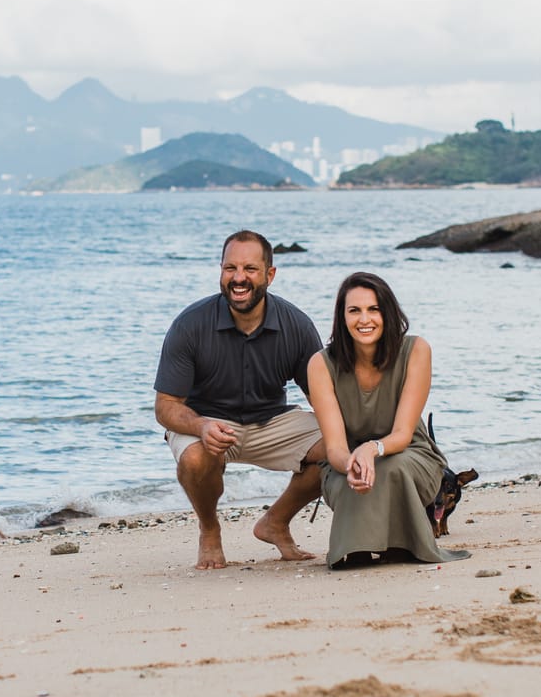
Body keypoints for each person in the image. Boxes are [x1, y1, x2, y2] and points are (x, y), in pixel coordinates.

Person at [155, 230, 325, 570]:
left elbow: (323, 400)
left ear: (269, 275)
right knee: (194, 460)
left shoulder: (297, 325)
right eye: (230, 268)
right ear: (220, 271)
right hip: (207, 422)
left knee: (339, 448)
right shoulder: (189, 325)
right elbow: (166, 406)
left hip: (272, 421)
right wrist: (201, 425)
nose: (238, 278)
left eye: (249, 268)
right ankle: (209, 529)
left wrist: (368, 439)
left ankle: (274, 522)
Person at [305, 271, 470, 569]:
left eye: (374, 309)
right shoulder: (320, 364)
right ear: (341, 317)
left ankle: (402, 545)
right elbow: (335, 449)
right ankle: (354, 549)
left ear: (388, 312)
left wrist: (370, 449)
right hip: (349, 457)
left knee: (392, 466)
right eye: (354, 310)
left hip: (410, 453)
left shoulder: (416, 350)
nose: (364, 319)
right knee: (349, 482)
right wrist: (351, 465)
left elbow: (403, 434)